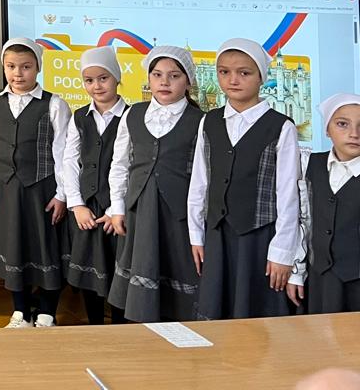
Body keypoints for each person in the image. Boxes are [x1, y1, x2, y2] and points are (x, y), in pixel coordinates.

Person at [188, 38, 301, 319]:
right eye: (224, 72)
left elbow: (288, 194)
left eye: (244, 72)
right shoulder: (209, 121)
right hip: (218, 234)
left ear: (261, 76)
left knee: (253, 311)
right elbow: (200, 183)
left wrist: (282, 251)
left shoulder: (281, 126)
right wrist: (196, 234)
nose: (233, 80)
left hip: (259, 237)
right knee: (217, 310)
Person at [0, 37, 72, 329]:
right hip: (4, 187)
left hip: (42, 189)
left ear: (38, 68)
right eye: (11, 66)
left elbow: (63, 152)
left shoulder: (54, 104)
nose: (18, 73)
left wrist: (62, 194)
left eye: (26, 67)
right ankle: (20, 312)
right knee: (13, 247)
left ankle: (47, 312)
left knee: (45, 247)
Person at [105, 44, 204, 322]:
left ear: (188, 81)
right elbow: (119, 164)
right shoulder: (133, 114)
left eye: (174, 76)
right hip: (139, 211)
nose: (164, 82)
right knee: (140, 269)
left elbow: (202, 176)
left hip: (178, 215)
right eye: (157, 75)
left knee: (176, 273)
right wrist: (117, 208)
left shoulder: (200, 121)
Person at [61, 46, 126, 325]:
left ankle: (120, 326)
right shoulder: (79, 117)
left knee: (117, 269)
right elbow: (69, 161)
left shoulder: (131, 116)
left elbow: (129, 166)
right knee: (89, 269)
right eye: (89, 80)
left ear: (117, 78)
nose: (96, 86)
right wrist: (76, 204)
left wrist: (115, 209)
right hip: (86, 208)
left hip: (116, 210)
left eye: (103, 78)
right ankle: (95, 325)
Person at [294, 93, 360, 313]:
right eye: (342, 124)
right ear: (327, 129)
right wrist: (296, 272)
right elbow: (303, 220)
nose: (354, 134)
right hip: (319, 279)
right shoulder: (310, 164)